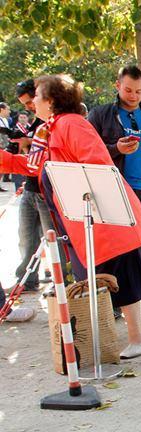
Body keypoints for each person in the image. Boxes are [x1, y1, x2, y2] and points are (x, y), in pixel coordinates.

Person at [0, 75, 141, 343]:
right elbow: (34, 166)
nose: (33, 101)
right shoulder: (50, 129)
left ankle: (137, 339)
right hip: (83, 222)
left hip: (104, 220)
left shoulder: (71, 124)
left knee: (122, 279)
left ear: (52, 100)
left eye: (38, 95)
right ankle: (109, 341)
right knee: (97, 281)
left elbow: (96, 166)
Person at [87, 65, 141, 327]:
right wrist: (116, 149)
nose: (133, 95)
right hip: (114, 191)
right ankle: (111, 302)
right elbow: (88, 150)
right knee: (115, 249)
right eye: (128, 90)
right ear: (117, 86)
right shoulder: (101, 115)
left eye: (138, 91)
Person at [9, 80, 51, 293]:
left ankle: (66, 284)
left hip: (46, 191)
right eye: (24, 104)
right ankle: (26, 279)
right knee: (26, 238)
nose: (28, 107)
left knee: (55, 241)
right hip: (30, 188)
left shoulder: (52, 122)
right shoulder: (36, 123)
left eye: (29, 102)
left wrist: (28, 145)